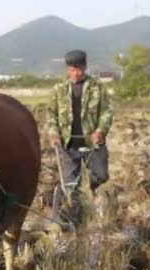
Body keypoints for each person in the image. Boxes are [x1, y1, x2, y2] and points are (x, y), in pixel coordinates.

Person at [43, 49, 114, 219]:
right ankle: (77, 216)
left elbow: (106, 112)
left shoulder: (97, 87)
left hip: (93, 144)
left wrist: (100, 130)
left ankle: (97, 202)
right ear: (67, 70)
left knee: (100, 177)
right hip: (68, 145)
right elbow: (51, 114)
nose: (76, 73)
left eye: (80, 69)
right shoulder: (58, 89)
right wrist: (53, 134)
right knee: (70, 185)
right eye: (73, 69)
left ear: (85, 67)